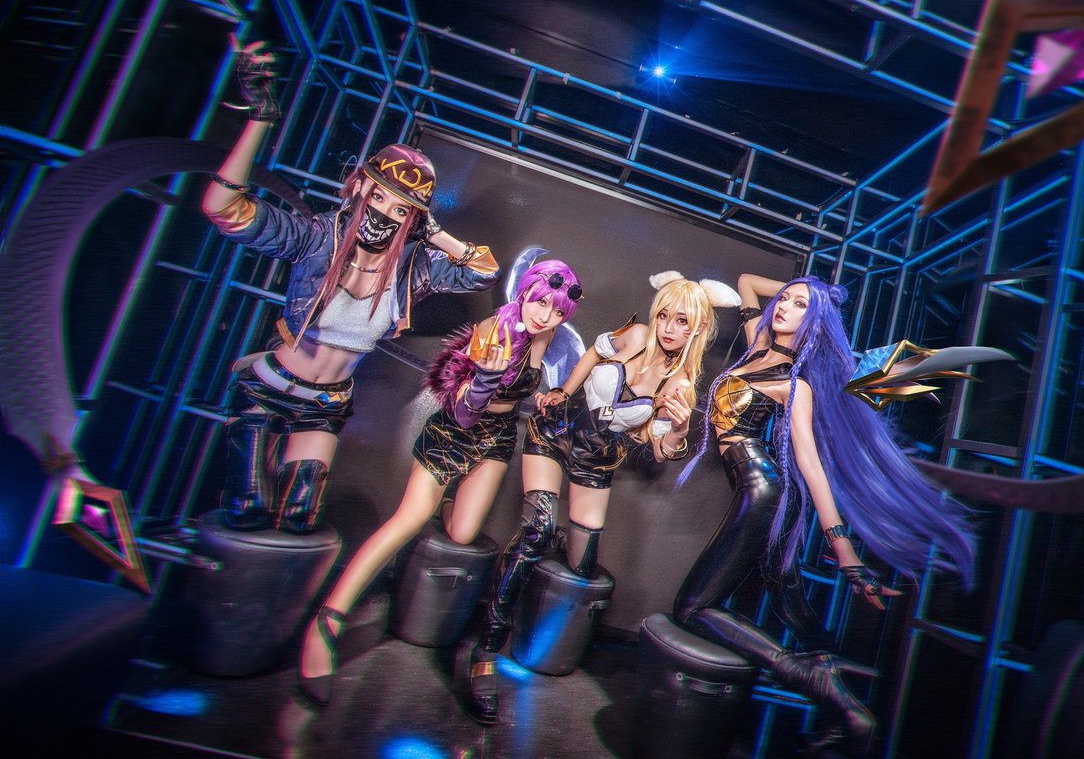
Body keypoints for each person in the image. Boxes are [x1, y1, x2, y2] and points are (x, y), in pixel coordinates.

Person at [200, 39, 500, 534]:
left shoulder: (413, 269)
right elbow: (222, 208)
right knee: (246, 510)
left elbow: (485, 271)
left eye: (401, 209)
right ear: (359, 186)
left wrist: (435, 233)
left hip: (325, 405)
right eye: (379, 196)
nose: (385, 214)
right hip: (268, 389)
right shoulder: (316, 238)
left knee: (299, 518)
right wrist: (260, 120)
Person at [672, 273, 977, 758]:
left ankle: (812, 677)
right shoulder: (757, 347)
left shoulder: (794, 384)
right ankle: (843, 705)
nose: (783, 307)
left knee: (693, 609)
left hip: (765, 493)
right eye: (784, 300)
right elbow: (747, 282)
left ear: (813, 323)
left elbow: (811, 467)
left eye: (798, 306)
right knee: (787, 595)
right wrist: (820, 294)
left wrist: (844, 549)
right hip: (761, 492)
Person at [296, 261, 584, 704]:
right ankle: (327, 621)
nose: (545, 316)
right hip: (454, 431)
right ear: (525, 292)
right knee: (409, 519)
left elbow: (536, 377)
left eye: (557, 311)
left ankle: (448, 503)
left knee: (463, 533)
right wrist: (486, 379)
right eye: (541, 302)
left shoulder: (543, 334)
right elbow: (464, 412)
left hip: (497, 437)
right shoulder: (492, 333)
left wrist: (548, 395)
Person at [465, 271, 740, 725]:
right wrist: (562, 391)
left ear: (699, 328)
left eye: (682, 322)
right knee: (537, 528)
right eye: (665, 316)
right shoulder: (635, 335)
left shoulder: (680, 386)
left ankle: (549, 552)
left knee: (581, 565)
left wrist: (678, 429)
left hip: (596, 461)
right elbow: (594, 353)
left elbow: (660, 450)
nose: (669, 328)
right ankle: (487, 651)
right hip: (555, 434)